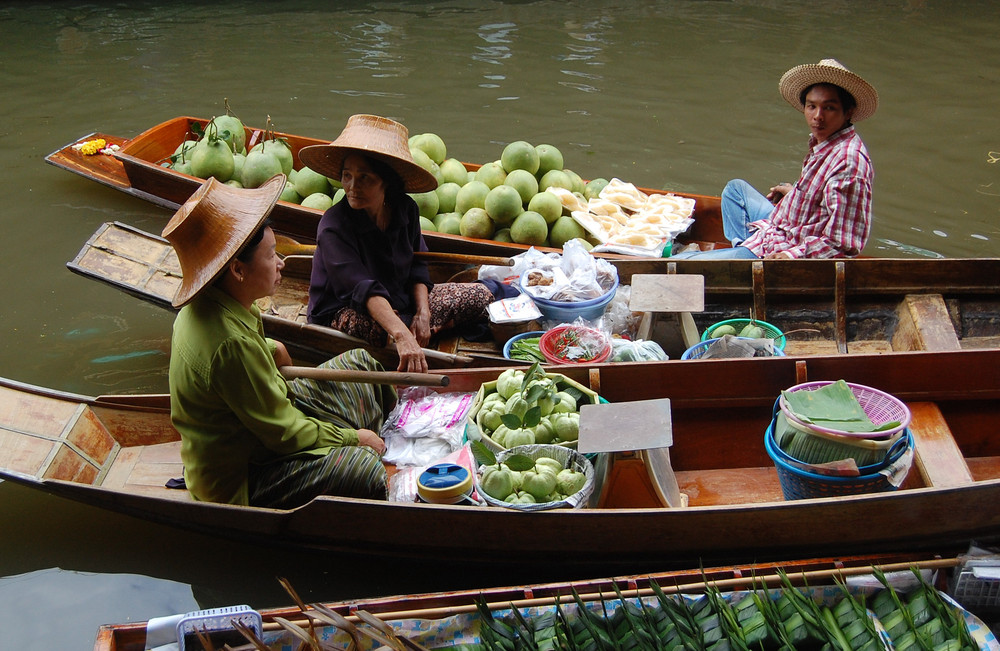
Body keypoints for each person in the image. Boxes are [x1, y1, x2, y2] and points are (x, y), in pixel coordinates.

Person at [163, 174, 395, 508]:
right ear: (237, 270)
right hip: (244, 474)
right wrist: (352, 438)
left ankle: (388, 435)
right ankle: (370, 447)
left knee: (360, 364)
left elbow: (246, 360)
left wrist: (273, 348)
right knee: (364, 470)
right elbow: (283, 433)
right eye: (272, 255)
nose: (281, 263)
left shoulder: (224, 301)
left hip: (263, 429)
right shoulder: (230, 344)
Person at [299, 114, 499, 374]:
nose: (352, 186)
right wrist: (403, 334)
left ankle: (425, 327)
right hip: (346, 307)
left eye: (364, 177)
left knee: (484, 295)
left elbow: (418, 266)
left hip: (400, 298)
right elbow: (363, 289)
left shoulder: (406, 209)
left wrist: (423, 314)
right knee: (385, 335)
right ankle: (420, 331)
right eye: (347, 176)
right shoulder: (333, 225)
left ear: (386, 181)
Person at [673, 58, 878, 260]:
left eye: (829, 108)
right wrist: (795, 194)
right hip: (782, 229)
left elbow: (843, 244)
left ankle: (745, 261)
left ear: (848, 111)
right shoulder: (824, 143)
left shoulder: (849, 162)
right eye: (811, 106)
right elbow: (823, 200)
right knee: (736, 190)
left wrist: (789, 256)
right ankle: (743, 257)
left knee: (680, 264)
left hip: (793, 247)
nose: (818, 116)